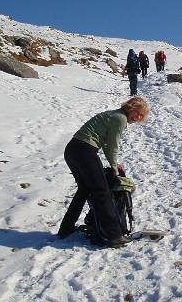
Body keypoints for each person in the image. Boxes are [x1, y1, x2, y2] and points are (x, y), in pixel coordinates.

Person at [57, 96, 149, 247]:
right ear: (131, 108)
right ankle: (113, 235)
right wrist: (114, 167)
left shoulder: (114, 115)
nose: (138, 118)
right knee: (102, 191)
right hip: (84, 151)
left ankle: (66, 228)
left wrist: (114, 163)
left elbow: (107, 145)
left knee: (84, 190)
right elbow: (112, 145)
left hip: (73, 150)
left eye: (141, 116)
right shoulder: (120, 118)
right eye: (137, 113)